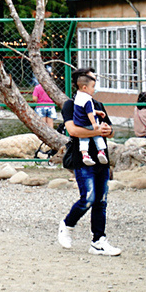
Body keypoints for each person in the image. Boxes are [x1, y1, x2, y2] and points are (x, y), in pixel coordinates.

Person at [58, 68, 120, 256]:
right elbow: (73, 131)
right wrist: (96, 131)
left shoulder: (98, 104)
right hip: (82, 159)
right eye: (92, 80)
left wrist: (107, 130)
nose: (95, 84)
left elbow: (110, 131)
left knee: (101, 200)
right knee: (88, 198)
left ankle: (98, 241)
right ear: (82, 83)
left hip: (101, 159)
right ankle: (67, 225)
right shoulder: (70, 105)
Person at [72, 72, 108, 166]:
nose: (94, 89)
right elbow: (89, 113)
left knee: (83, 140)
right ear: (85, 87)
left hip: (79, 123)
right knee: (98, 135)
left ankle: (85, 155)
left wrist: (97, 111)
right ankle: (101, 151)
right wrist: (94, 124)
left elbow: (83, 110)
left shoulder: (78, 96)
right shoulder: (88, 99)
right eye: (93, 87)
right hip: (89, 123)